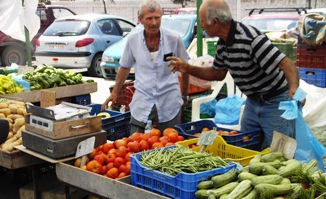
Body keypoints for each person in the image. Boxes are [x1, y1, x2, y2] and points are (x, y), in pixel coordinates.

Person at [168, 0, 300, 149]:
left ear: (215, 22)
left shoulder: (250, 39)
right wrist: (187, 68)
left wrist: (294, 89)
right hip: (253, 102)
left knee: (278, 153)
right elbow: (218, 73)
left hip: (275, 102)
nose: (201, 25)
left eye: (203, 21)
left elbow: (286, 63)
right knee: (245, 145)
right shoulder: (222, 44)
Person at [101, 0, 190, 134]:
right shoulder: (133, 39)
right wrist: (115, 92)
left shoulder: (174, 38)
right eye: (149, 18)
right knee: (134, 143)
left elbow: (185, 68)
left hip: (169, 100)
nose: (154, 23)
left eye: (157, 18)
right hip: (142, 99)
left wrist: (184, 95)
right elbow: (125, 67)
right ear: (140, 19)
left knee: (170, 143)